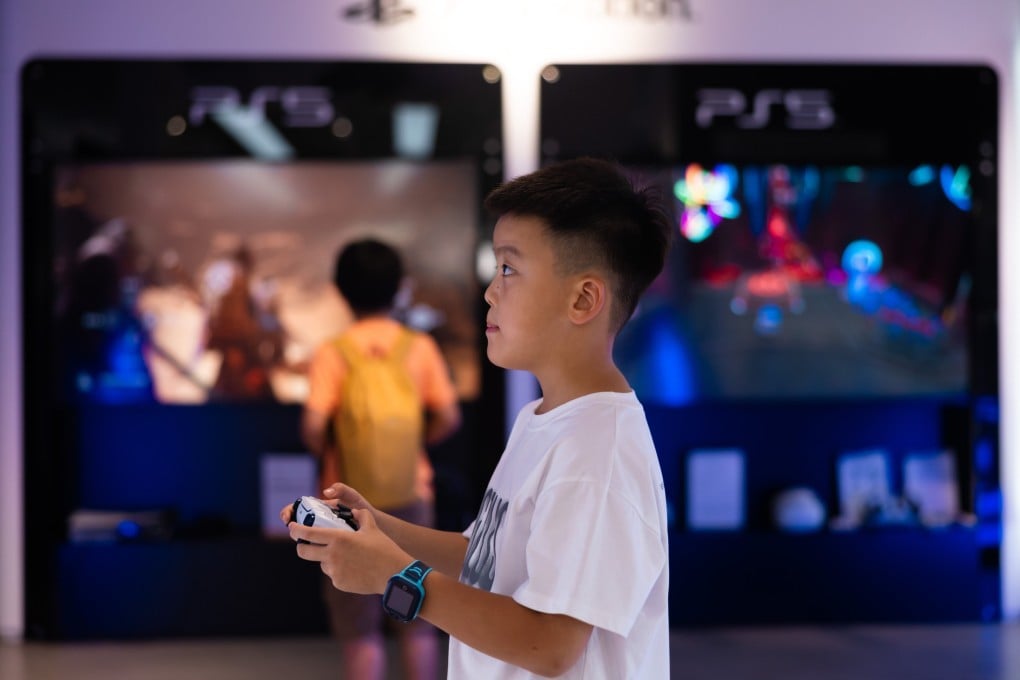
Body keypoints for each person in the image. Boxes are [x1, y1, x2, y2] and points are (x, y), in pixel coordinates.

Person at [284, 158, 673, 678]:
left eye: (509, 269)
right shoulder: (543, 417)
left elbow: (550, 644)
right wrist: (381, 529)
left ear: (583, 298)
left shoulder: (595, 453)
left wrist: (398, 575)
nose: (490, 291)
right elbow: (487, 556)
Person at [301, 238, 462, 680]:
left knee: (359, 629)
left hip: (345, 503)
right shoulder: (419, 348)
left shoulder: (333, 352)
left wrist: (332, 450)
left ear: (340, 290)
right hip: (411, 496)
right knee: (419, 618)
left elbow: (313, 429)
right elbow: (448, 416)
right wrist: (415, 446)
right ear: (398, 289)